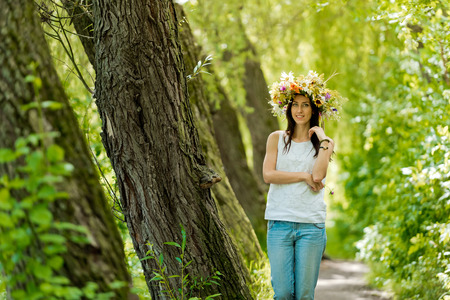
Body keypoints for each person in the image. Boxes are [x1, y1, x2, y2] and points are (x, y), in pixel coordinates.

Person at [263, 71, 345, 299]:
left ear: (314, 109)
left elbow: (317, 176)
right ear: (288, 108)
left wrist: (321, 135)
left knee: (304, 296)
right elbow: (268, 175)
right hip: (279, 223)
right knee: (283, 294)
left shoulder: (325, 144)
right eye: (295, 105)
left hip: (311, 226)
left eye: (306, 105)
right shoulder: (276, 138)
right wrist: (302, 175)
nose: (299, 110)